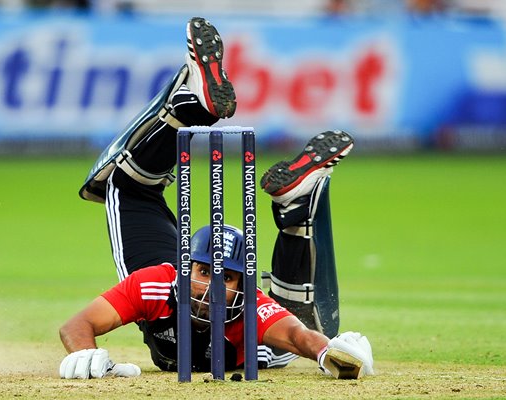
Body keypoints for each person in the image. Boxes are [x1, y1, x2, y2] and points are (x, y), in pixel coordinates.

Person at [59, 16, 374, 380]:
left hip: (253, 353)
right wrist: (87, 355)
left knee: (306, 321)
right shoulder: (158, 283)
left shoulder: (252, 309)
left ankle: (295, 212)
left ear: (243, 283)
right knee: (124, 184)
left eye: (226, 278)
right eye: (204, 271)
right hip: (177, 319)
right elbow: (76, 326)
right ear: (185, 264)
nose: (210, 286)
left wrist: (329, 352)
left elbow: (298, 336)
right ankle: (195, 108)